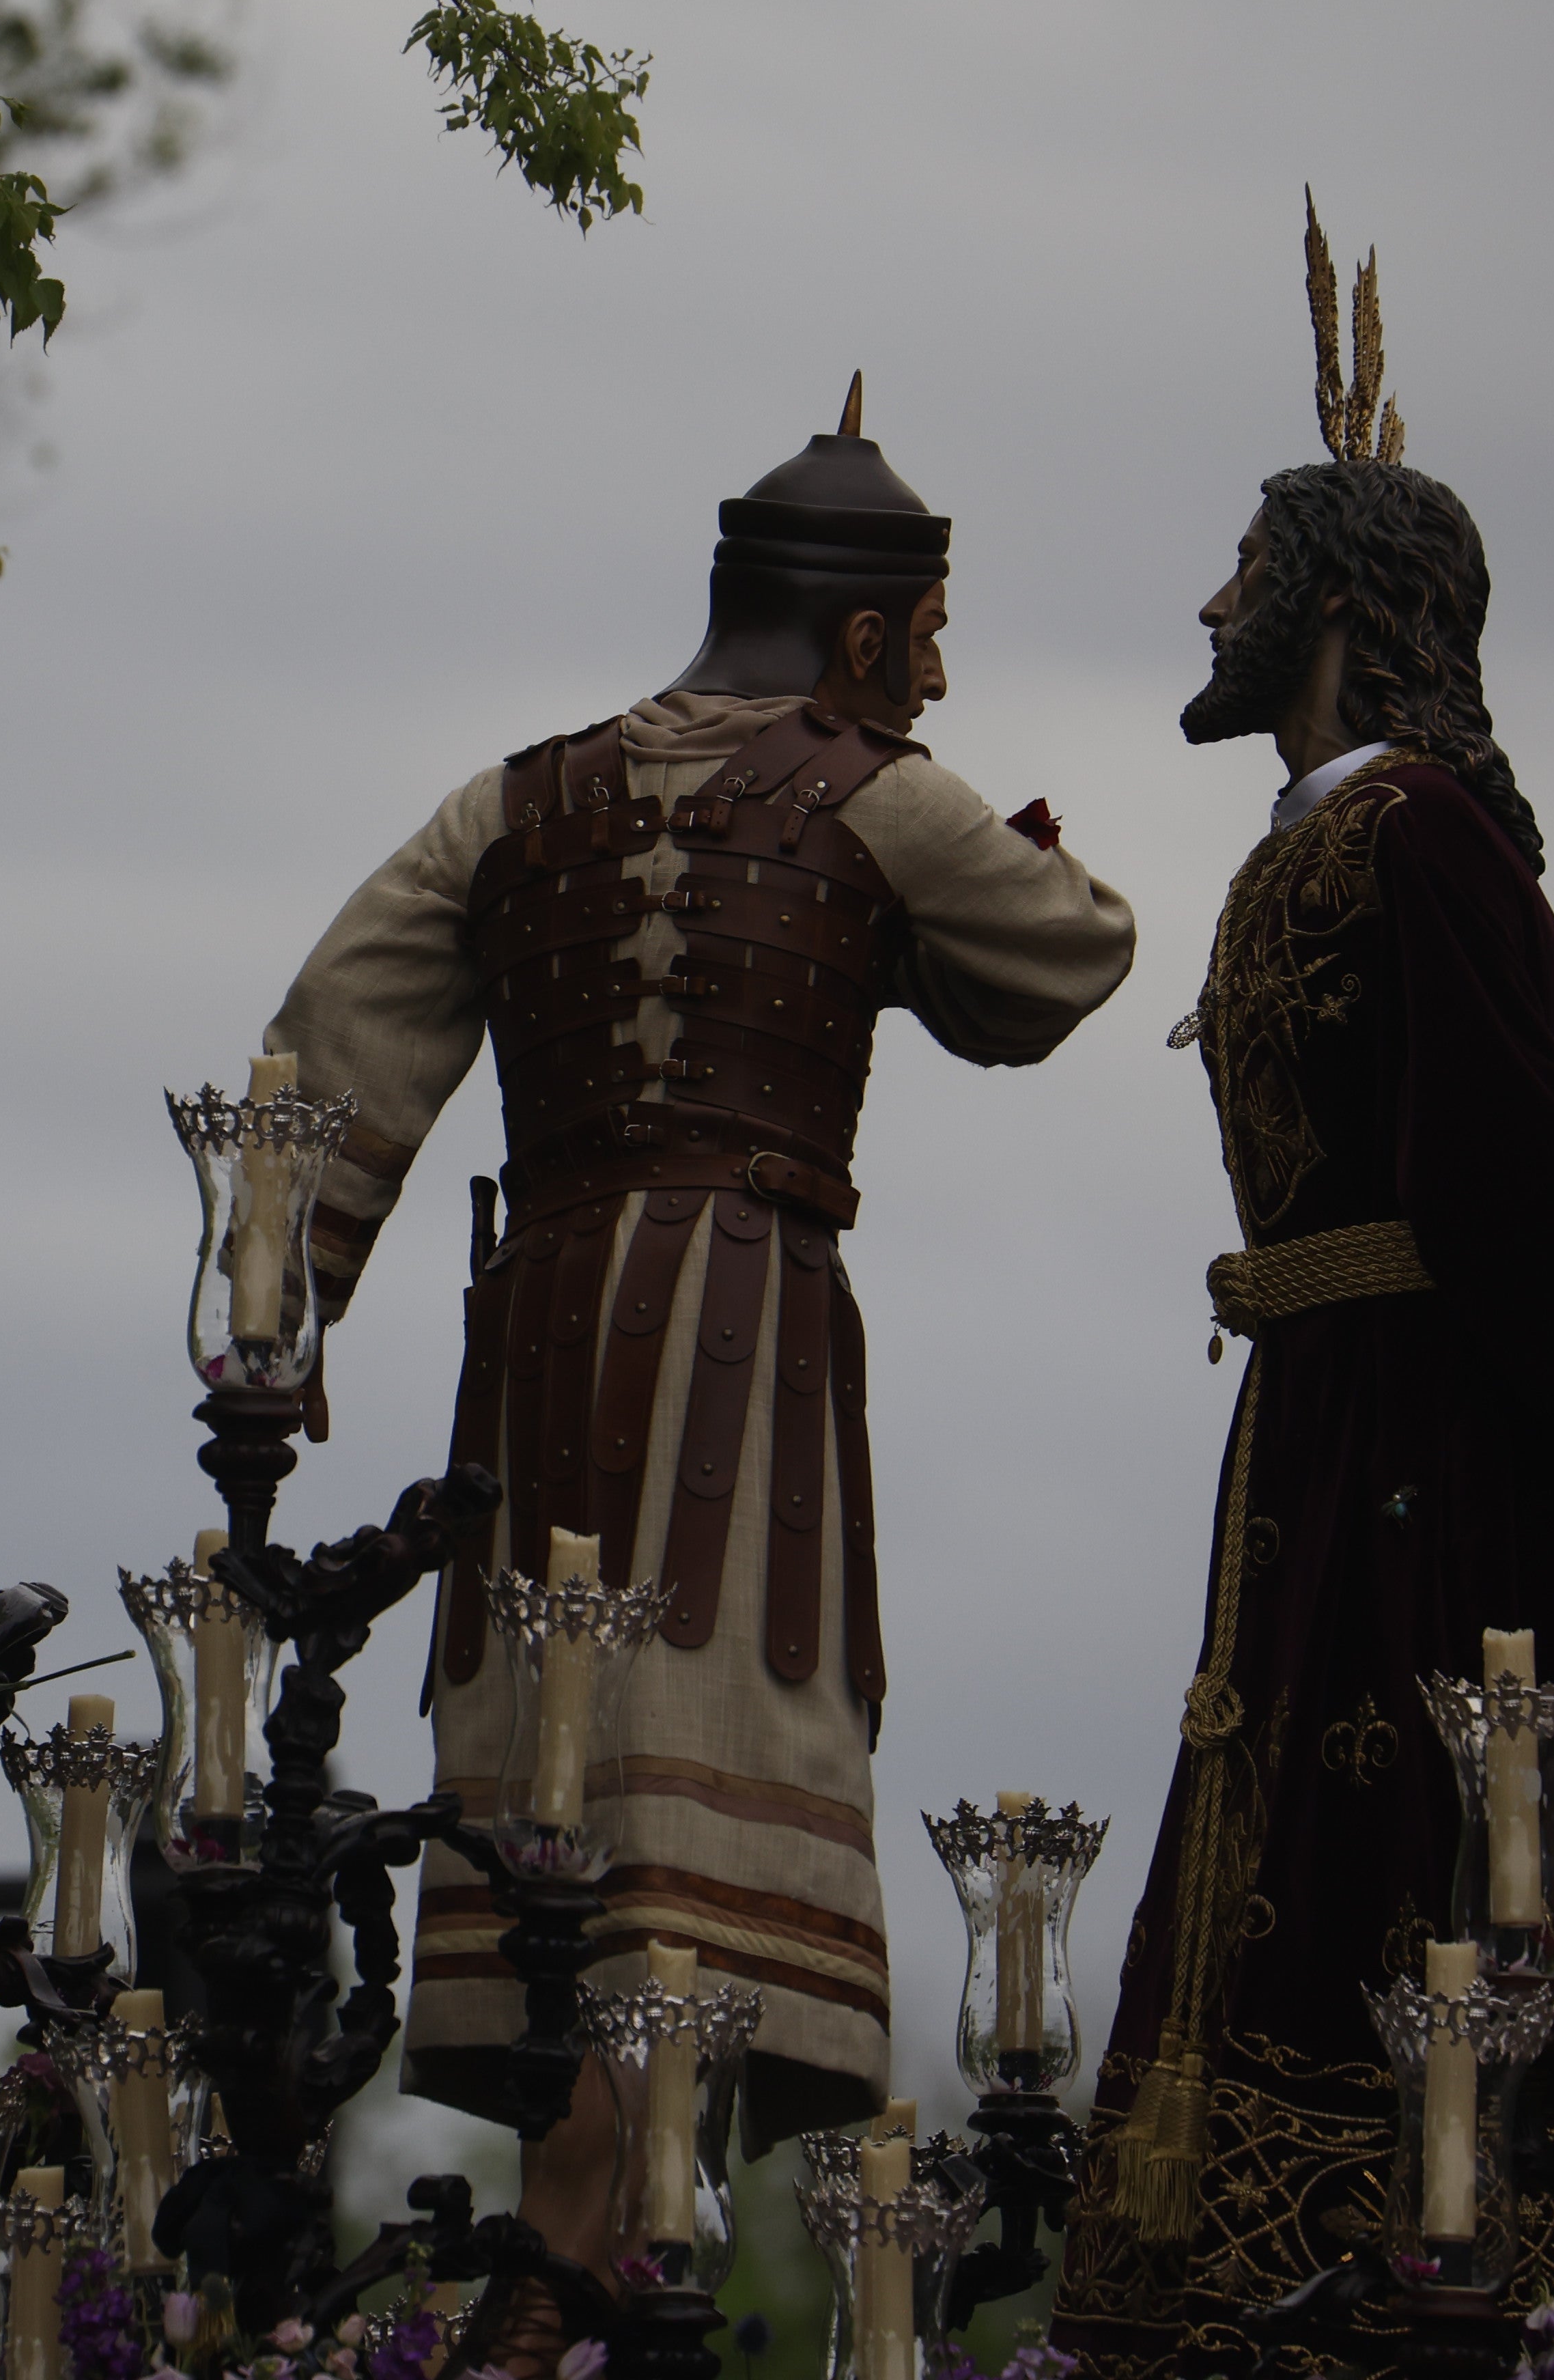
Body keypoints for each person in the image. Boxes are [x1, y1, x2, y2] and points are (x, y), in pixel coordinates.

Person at [1051, 227, 1554, 2372]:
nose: (1210, 607)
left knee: (1421, 1870)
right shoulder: (1324, 842)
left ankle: (1473, 2264)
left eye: (1242, 569)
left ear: (1334, 602)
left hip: (1441, 1469)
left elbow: (1507, 1184)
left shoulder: (1425, 840)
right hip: (1337, 1433)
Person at [256, 380, 1135, 2265]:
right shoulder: (883, 793)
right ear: (872, 634)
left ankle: (582, 2254)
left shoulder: (515, 797)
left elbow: (329, 1044)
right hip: (750, 1365)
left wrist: (286, 1305)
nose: (940, 688)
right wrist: (892, 913)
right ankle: (597, 2275)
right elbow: (1071, 946)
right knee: (682, 1917)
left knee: (572, 1881)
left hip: (546, 1348)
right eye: (934, 648)